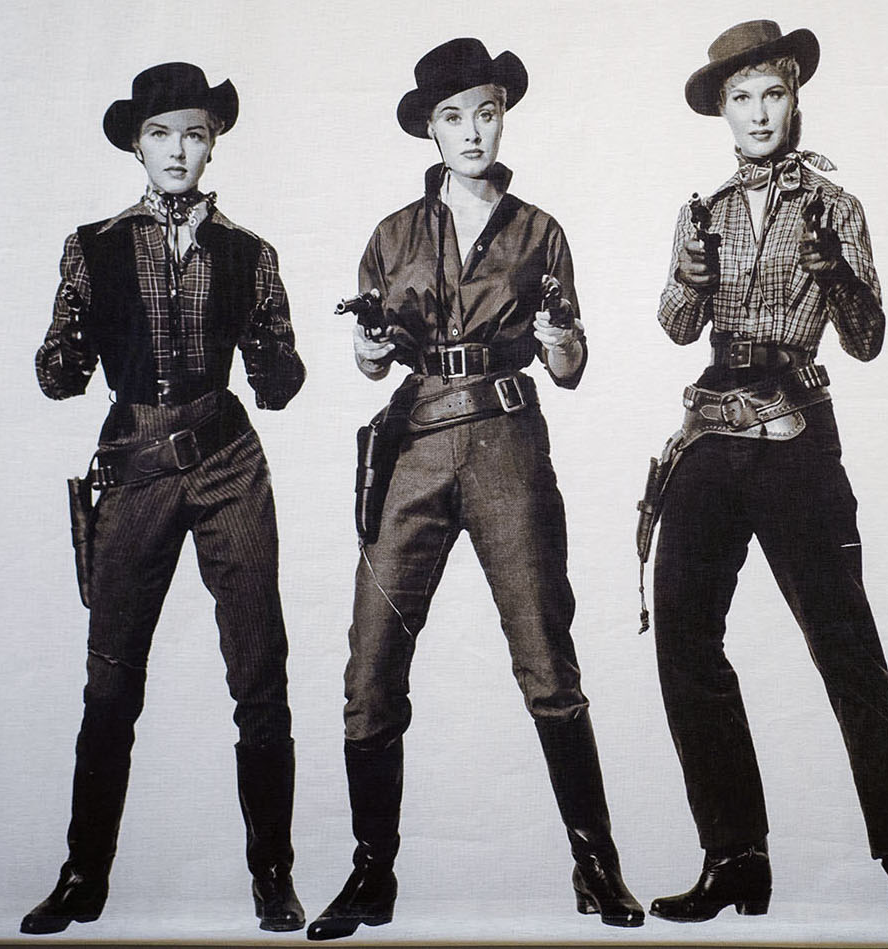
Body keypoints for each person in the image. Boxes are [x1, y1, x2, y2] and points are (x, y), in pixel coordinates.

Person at [306, 38, 643, 941]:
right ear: (430, 128)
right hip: (414, 438)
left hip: (505, 438)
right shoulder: (390, 233)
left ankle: (596, 862)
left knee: (545, 656)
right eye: (452, 116)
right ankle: (371, 872)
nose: (471, 131)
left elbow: (569, 366)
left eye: (485, 112)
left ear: (504, 116)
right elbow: (369, 355)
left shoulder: (540, 231)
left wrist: (562, 334)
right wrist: (370, 347)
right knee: (369, 665)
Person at [644, 20, 888, 948]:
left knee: (846, 650)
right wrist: (690, 281)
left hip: (797, 429)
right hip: (711, 429)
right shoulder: (698, 209)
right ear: (723, 113)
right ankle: (735, 856)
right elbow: (670, 322)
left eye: (770, 94)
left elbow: (867, 337)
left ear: (793, 97)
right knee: (685, 640)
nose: (757, 112)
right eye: (740, 98)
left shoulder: (835, 204)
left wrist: (836, 274)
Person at [23, 63, 307, 935]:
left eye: (193, 132)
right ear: (138, 147)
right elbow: (55, 374)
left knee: (260, 673)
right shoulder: (93, 244)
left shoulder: (249, 251)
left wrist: (288, 350)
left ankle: (273, 877)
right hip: (136, 465)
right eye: (160, 134)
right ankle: (83, 875)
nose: (178, 149)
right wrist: (70, 350)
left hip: (228, 462)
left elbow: (281, 382)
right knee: (110, 679)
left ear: (212, 142)